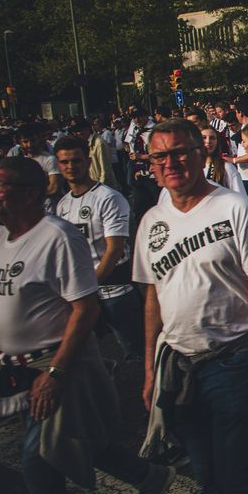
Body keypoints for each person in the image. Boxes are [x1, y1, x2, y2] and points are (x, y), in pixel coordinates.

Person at [0, 157, 175, 494]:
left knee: (40, 463)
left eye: (2, 186)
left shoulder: (56, 237)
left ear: (31, 192)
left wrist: (55, 371)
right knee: (80, 443)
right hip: (14, 367)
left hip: (54, 365)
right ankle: (150, 475)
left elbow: (85, 307)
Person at [134, 119, 248, 494]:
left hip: (236, 357)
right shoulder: (153, 221)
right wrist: (149, 371)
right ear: (151, 166)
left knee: (236, 473)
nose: (171, 163)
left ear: (201, 154)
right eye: (161, 157)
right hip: (179, 364)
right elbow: (154, 297)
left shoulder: (233, 207)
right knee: (207, 477)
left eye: (180, 152)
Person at [53, 135, 145, 364]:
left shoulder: (109, 198)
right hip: (82, 294)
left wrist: (90, 286)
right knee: (85, 354)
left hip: (115, 292)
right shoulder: (63, 204)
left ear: (87, 161)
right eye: (64, 162)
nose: (71, 167)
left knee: (136, 355)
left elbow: (114, 249)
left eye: (76, 161)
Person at [202, 125, 246, 195]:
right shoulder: (191, 168)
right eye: (203, 137)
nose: (208, 141)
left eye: (212, 138)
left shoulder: (226, 167)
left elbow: (241, 197)